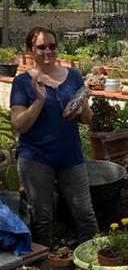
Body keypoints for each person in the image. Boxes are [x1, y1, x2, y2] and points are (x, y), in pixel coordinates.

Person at [10, 27, 98, 245]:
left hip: (70, 155)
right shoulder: (23, 83)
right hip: (36, 157)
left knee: (85, 213)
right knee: (42, 218)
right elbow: (19, 124)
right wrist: (39, 101)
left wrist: (83, 98)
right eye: (41, 47)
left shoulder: (74, 76)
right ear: (31, 50)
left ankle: (95, 265)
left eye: (52, 46)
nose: (47, 51)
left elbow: (86, 119)